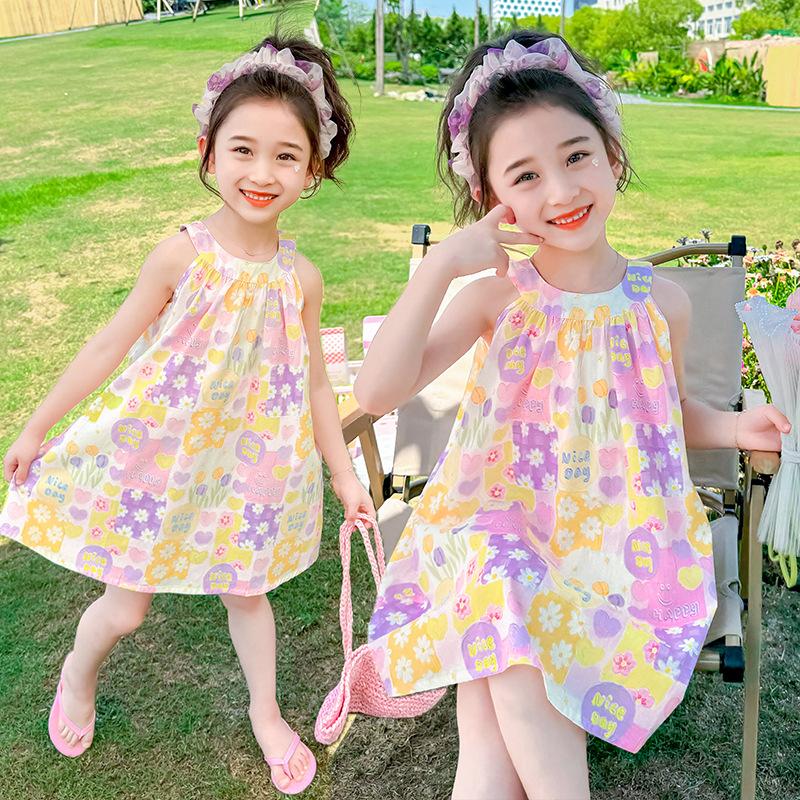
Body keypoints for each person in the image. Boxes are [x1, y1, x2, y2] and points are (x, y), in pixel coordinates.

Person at [354, 31, 788, 800]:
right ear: (493, 201)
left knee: (489, 726)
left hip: (623, 544)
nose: (560, 190)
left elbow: (660, 416)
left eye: (576, 155)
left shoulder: (662, 303)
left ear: (612, 155)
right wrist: (445, 264)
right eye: (526, 174)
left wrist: (730, 428)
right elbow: (378, 392)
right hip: (502, 526)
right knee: (501, 582)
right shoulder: (498, 299)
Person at [0, 34, 373, 795]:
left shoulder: (301, 278)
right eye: (243, 150)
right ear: (208, 152)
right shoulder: (182, 255)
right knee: (126, 610)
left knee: (248, 594)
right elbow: (109, 345)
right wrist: (36, 427)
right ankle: (77, 673)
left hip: (248, 464)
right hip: (158, 458)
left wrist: (344, 476)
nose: (261, 173)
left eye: (286, 156)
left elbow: (315, 385)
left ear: (313, 168)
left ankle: (266, 713)